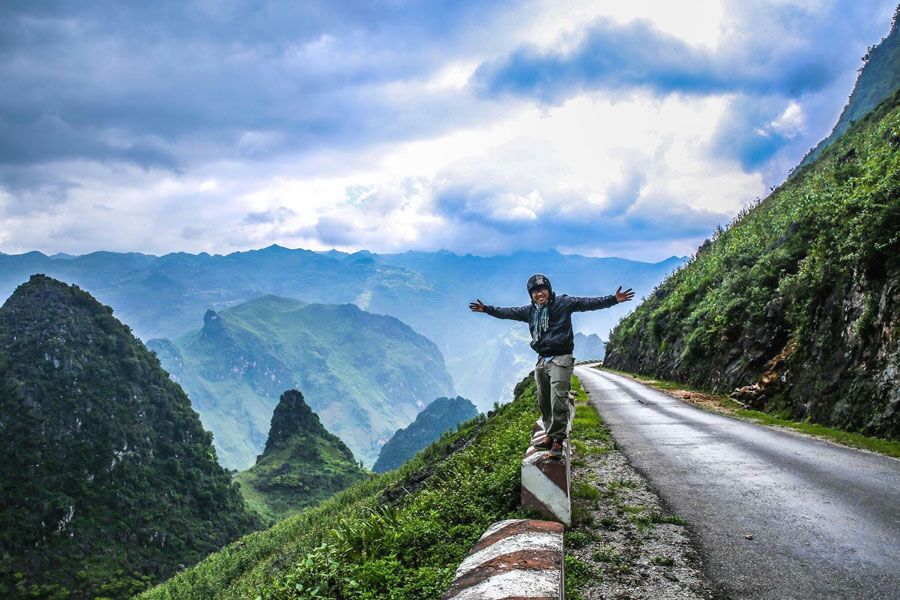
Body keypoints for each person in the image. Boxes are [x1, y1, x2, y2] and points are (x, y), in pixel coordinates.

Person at [469, 273, 634, 458]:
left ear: (549, 289)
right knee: (544, 401)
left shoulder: (563, 303)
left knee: (558, 398)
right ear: (531, 294)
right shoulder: (530, 311)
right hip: (542, 360)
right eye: (535, 291)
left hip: (561, 358)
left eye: (543, 289)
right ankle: (549, 434)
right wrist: (487, 309)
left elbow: (588, 303)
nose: (540, 294)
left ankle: (558, 440)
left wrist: (613, 299)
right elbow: (507, 312)